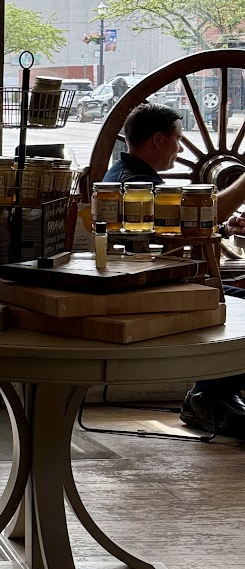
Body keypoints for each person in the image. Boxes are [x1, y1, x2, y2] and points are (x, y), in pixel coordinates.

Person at [102, 103, 245, 437]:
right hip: (150, 292)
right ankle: (208, 395)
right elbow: (202, 213)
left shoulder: (124, 175)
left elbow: (176, 230)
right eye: (178, 140)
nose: (179, 148)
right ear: (157, 140)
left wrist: (223, 230)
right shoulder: (138, 185)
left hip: (150, 282)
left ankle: (213, 394)